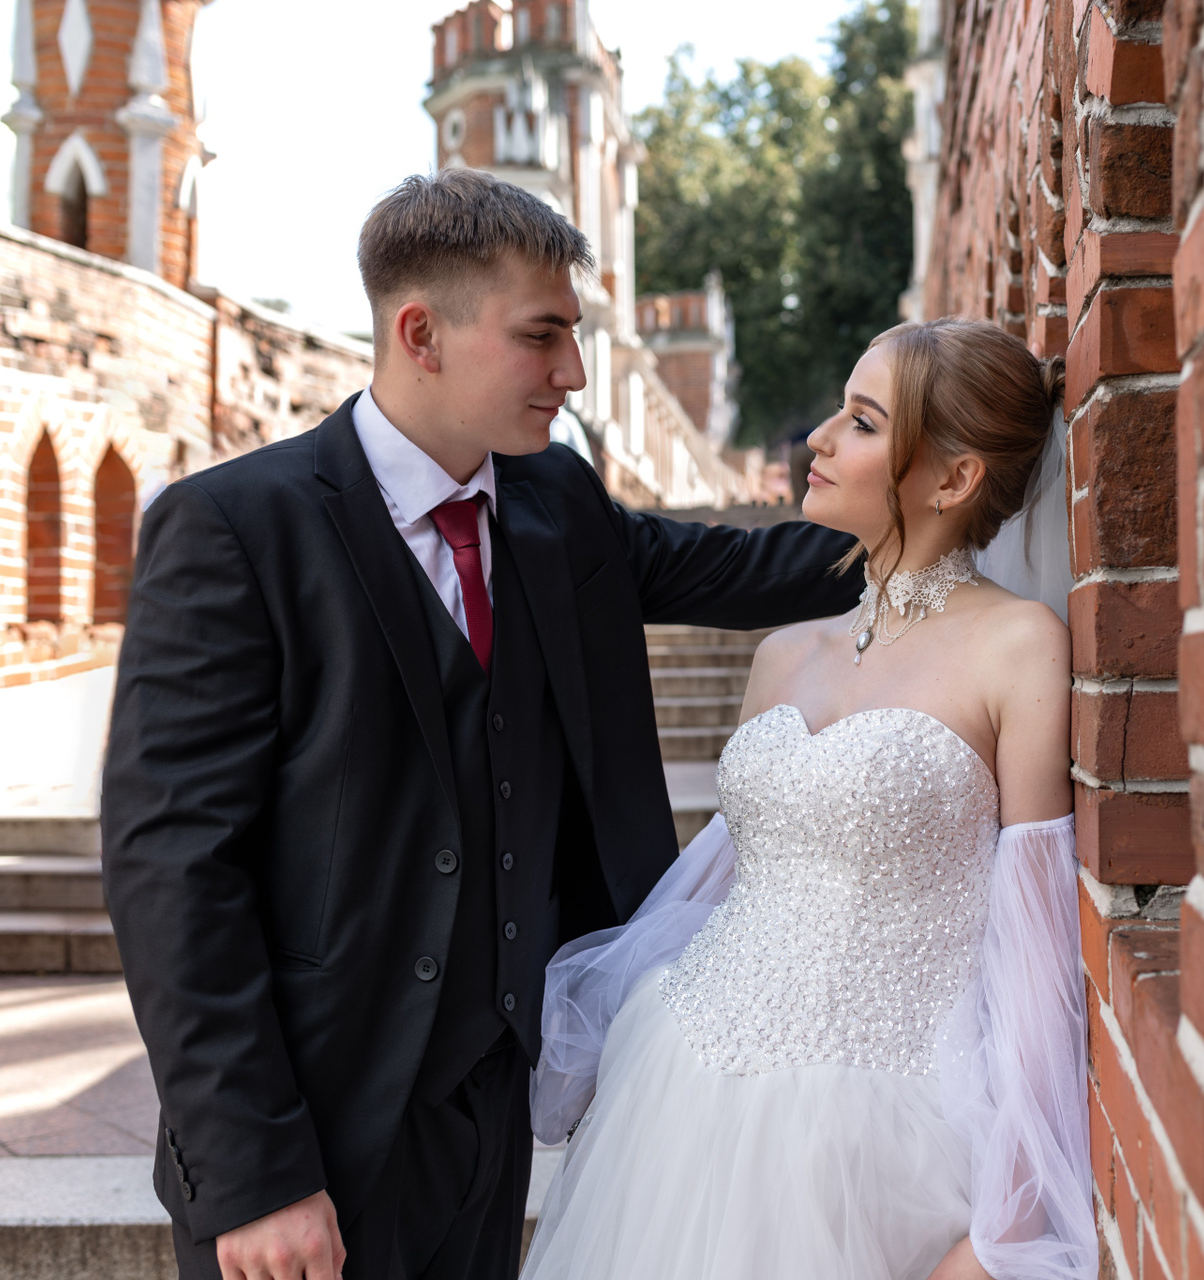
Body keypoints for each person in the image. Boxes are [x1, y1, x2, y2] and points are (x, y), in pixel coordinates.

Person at [99, 169, 862, 1280]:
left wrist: (949, 504)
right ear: (422, 333)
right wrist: (256, 1172)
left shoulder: (559, 503)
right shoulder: (235, 528)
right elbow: (171, 866)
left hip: (491, 1104)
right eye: (541, 336)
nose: (574, 372)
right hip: (312, 1128)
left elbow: (746, 568)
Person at [522, 317, 1097, 1280]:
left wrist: (1013, 1210)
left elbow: (1036, 942)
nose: (818, 440)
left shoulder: (1019, 647)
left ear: (955, 478)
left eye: (862, 422)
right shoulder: (784, 653)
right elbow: (738, 876)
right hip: (683, 1087)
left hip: (878, 1128)